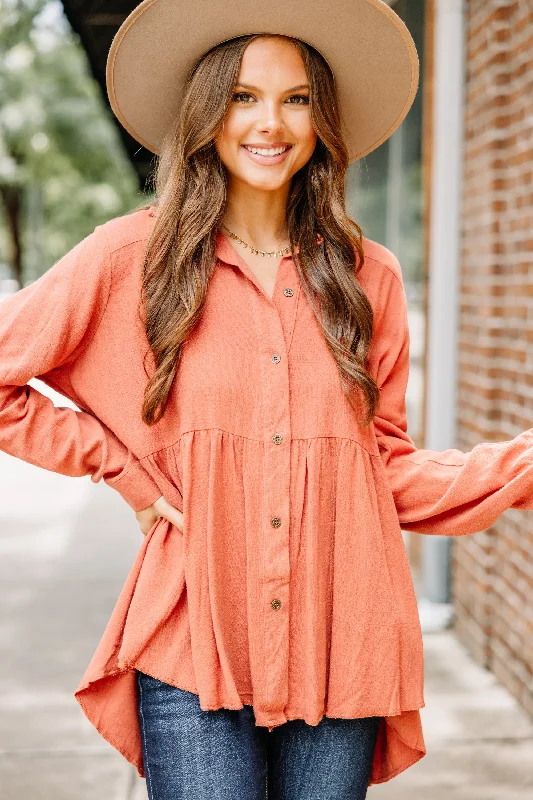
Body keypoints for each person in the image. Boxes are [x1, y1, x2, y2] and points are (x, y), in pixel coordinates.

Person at [1, 0, 533, 797]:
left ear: (321, 119)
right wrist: (123, 471)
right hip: (192, 644)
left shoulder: (368, 277)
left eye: (295, 98)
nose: (270, 122)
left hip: (339, 640)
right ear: (206, 114)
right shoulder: (127, 259)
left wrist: (516, 467)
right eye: (243, 96)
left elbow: (376, 468)